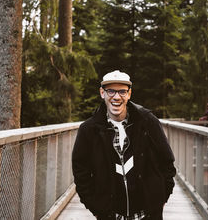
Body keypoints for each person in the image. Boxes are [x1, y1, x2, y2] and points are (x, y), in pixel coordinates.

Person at [72, 70, 176, 220]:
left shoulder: (148, 122)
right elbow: (80, 172)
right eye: (111, 91)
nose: (116, 97)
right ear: (102, 93)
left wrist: (160, 199)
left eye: (122, 91)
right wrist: (95, 207)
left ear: (129, 94)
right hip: (110, 215)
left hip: (147, 214)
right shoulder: (88, 130)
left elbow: (167, 161)